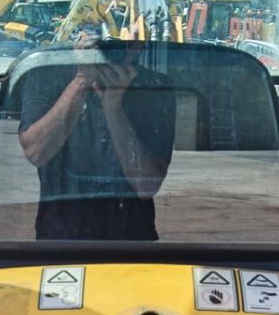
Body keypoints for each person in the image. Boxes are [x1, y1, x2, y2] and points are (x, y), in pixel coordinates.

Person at [17, 33, 175, 240]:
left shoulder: (154, 87)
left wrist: (113, 106)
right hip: (60, 239)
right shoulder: (47, 74)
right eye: (105, 44)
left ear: (138, 46)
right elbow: (36, 152)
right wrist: (82, 80)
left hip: (132, 242)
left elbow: (147, 186)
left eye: (121, 43)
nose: (110, 51)